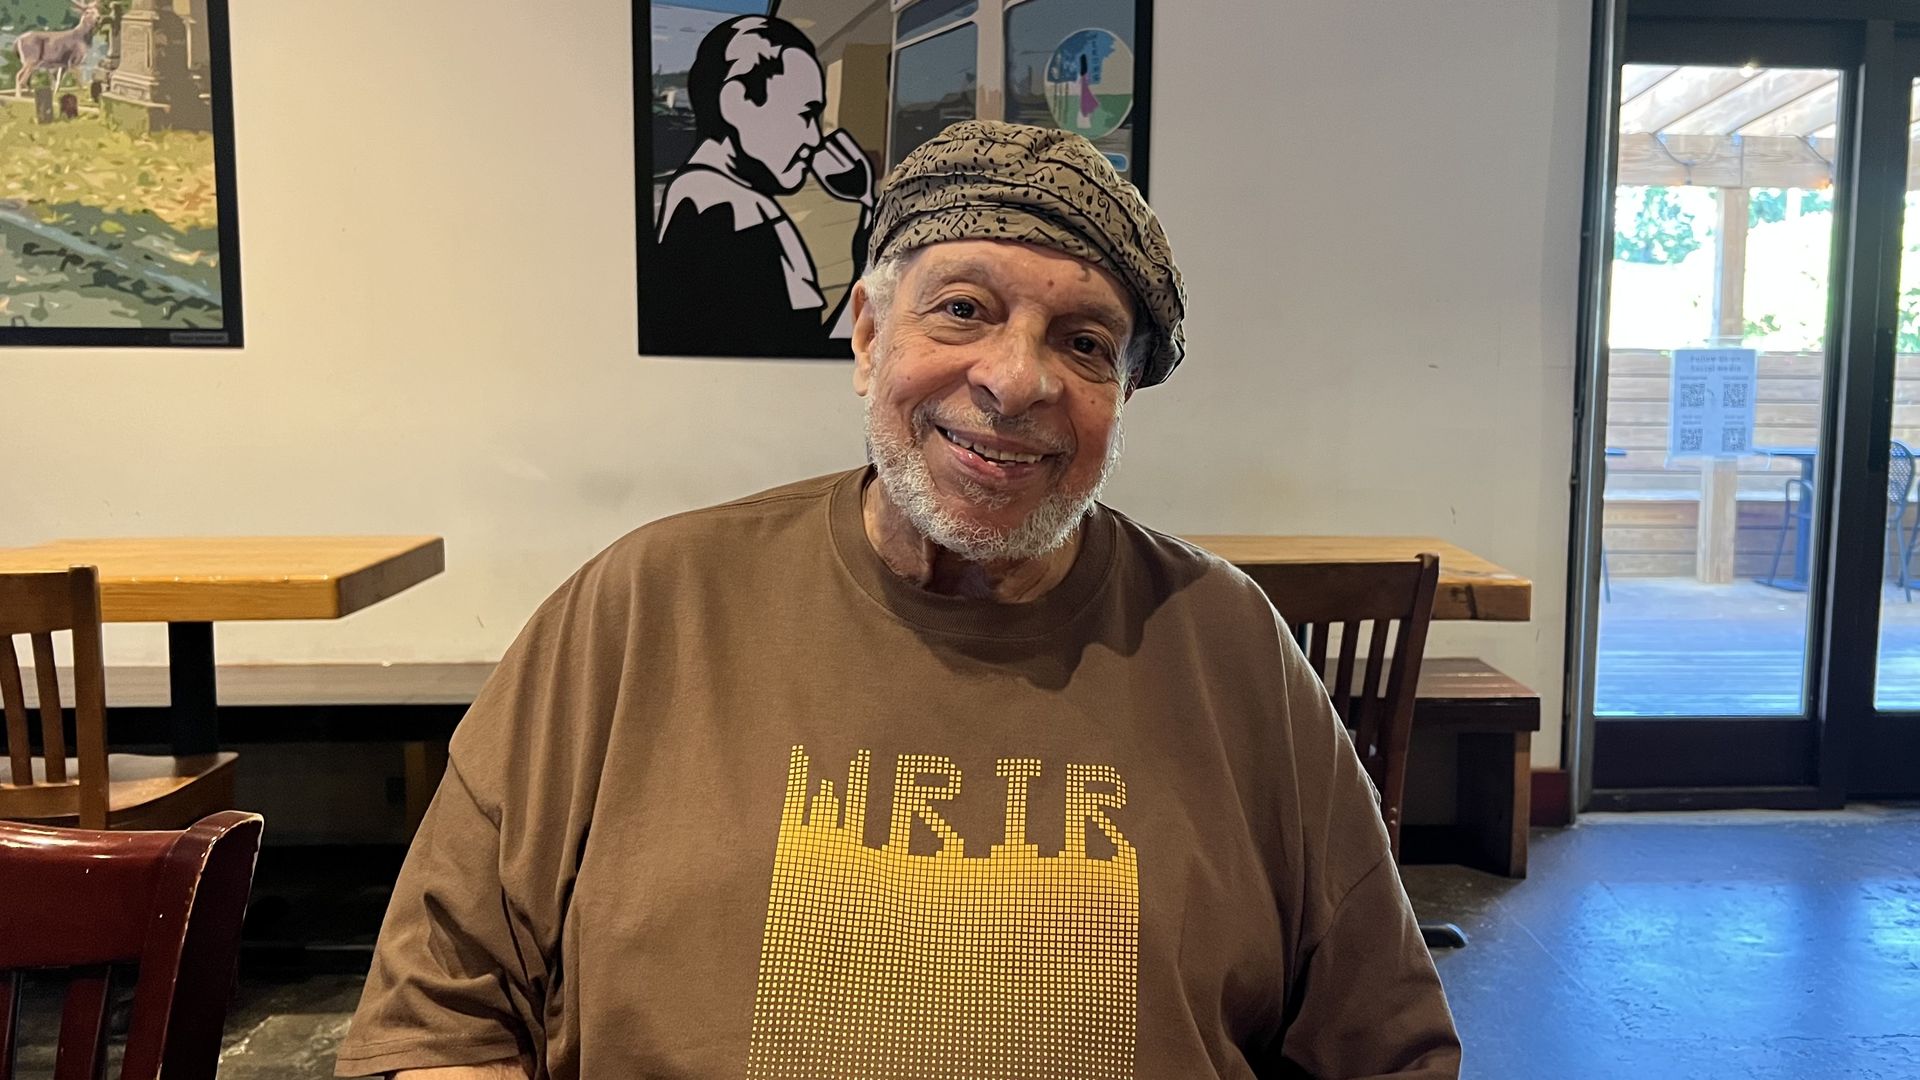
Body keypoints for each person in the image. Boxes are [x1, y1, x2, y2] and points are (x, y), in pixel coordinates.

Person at [335, 120, 1461, 1080]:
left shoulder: (1227, 649)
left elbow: (1385, 1045)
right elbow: (437, 1016)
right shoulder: (646, 608)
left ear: (1122, 394)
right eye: (964, 309)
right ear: (869, 337)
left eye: (1084, 343)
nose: (1016, 380)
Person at [645, 14, 874, 359]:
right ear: (736, 103)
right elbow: (802, 362)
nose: (814, 138)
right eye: (805, 114)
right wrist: (870, 256)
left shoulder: (696, 195)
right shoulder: (735, 214)